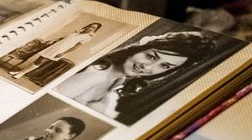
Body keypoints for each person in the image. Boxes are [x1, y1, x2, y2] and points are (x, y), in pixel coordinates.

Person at [56, 30, 216, 123]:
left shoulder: (119, 79)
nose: (148, 67)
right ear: (142, 48)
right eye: (151, 56)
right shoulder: (95, 74)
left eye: (165, 66)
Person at [9, 22, 101, 79]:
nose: (90, 27)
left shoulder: (88, 37)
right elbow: (63, 38)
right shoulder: (77, 32)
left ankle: (21, 73)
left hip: (60, 50)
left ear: (95, 30)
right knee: (38, 58)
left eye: (93, 28)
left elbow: (76, 47)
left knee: (40, 61)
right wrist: (54, 40)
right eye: (90, 25)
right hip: (54, 45)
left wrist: (63, 53)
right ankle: (20, 72)